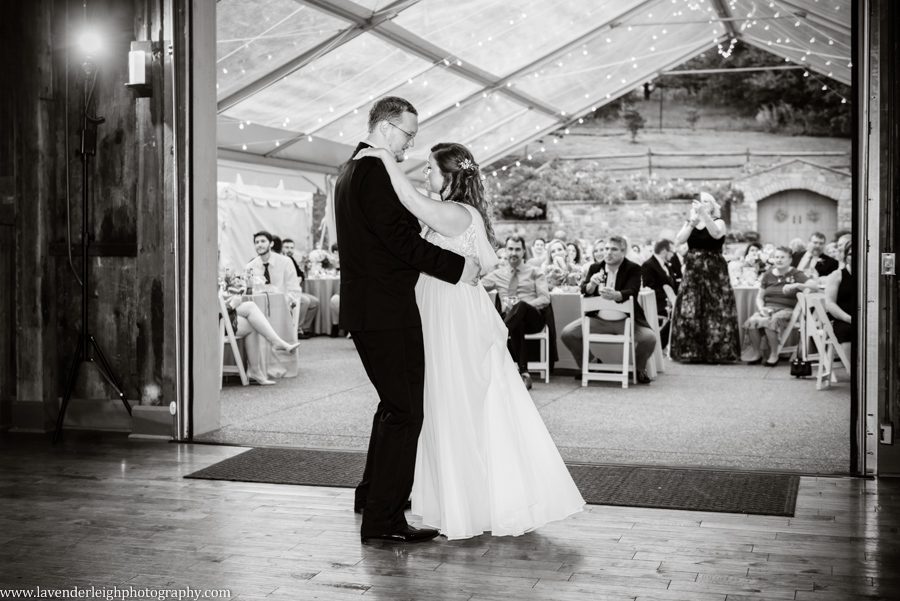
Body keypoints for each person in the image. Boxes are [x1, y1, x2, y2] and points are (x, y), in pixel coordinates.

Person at [354, 140, 583, 541]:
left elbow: (408, 198)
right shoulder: (454, 212)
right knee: (442, 403)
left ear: (450, 176)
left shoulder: (457, 213)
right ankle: (444, 495)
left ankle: (467, 501)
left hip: (451, 315)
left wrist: (384, 158)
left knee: (455, 401)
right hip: (441, 307)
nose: (426, 175)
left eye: (431, 169)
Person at [335, 97, 481, 546]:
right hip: (386, 309)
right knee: (406, 412)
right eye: (407, 134)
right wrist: (459, 268)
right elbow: (400, 242)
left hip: (369, 308)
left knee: (391, 407)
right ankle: (384, 520)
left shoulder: (349, 170)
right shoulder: (375, 171)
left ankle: (370, 496)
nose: (409, 144)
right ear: (384, 128)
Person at [560, 235, 658, 384]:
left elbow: (633, 291)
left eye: (614, 249)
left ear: (623, 251)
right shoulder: (595, 267)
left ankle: (639, 369)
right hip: (597, 319)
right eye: (606, 249)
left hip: (626, 321)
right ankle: (590, 364)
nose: (608, 253)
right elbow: (583, 289)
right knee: (568, 334)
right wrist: (591, 285)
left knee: (649, 338)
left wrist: (617, 295)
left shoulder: (633, 268)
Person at [669, 192, 740, 363]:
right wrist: (692, 222)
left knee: (716, 309)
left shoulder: (719, 221)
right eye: (701, 202)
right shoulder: (691, 222)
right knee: (690, 308)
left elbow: (716, 234)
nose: (703, 204)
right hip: (693, 269)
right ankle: (691, 351)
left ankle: (718, 352)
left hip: (714, 269)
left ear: (713, 205)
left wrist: (704, 215)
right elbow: (679, 240)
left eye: (707, 201)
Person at [481, 236, 551, 390]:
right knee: (516, 319)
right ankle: (524, 373)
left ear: (524, 251)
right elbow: (476, 286)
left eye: (517, 249)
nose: (514, 252)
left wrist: (522, 306)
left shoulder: (535, 272)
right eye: (510, 249)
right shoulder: (498, 274)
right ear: (505, 251)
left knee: (519, 306)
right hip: (514, 322)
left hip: (533, 319)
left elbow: (545, 299)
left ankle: (497, 335)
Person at [742, 246, 816, 366]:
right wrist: (761, 309)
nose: (779, 260)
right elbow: (759, 297)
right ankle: (757, 353)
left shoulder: (796, 273)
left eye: (782, 257)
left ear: (790, 260)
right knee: (752, 321)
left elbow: (814, 285)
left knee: (773, 321)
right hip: (768, 308)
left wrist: (797, 285)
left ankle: (774, 354)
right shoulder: (768, 274)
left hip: (787, 310)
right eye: (776, 257)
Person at [220, 288, 301, 386]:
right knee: (251, 313)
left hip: (218, 314)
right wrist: (231, 305)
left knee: (253, 318)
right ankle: (275, 345)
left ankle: (256, 370)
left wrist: (226, 302)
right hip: (212, 323)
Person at [641, 239, 678, 349]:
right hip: (657, 303)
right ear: (664, 251)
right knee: (677, 314)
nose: (673, 255)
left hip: (670, 301)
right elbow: (649, 288)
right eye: (672, 251)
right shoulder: (648, 265)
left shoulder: (667, 265)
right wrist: (669, 299)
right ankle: (659, 344)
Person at [281, 238, 320, 339]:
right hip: (285, 292)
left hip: (295, 290)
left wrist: (298, 278)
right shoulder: (281, 260)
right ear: (281, 248)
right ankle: (297, 329)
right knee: (305, 301)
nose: (289, 250)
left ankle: (305, 328)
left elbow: (301, 274)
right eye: (286, 247)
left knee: (315, 302)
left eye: (291, 248)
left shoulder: (291, 259)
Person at [823, 238, 854, 363]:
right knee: (848, 330)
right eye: (851, 254)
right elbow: (830, 304)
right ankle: (851, 372)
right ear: (846, 256)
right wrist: (849, 318)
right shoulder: (836, 275)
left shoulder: (870, 275)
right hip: (842, 318)